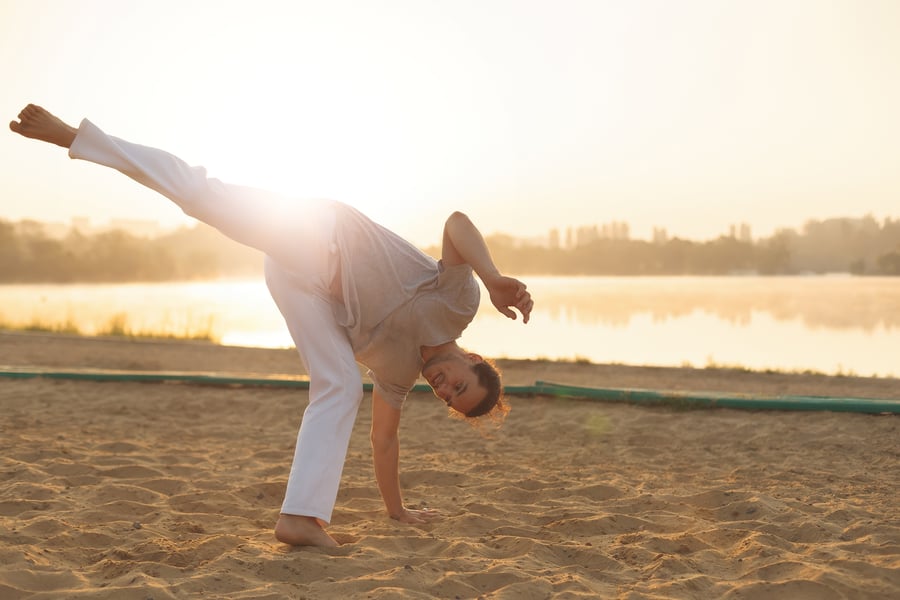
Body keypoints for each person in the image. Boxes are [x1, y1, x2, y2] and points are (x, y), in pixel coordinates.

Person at [9, 104, 533, 548]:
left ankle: (299, 519)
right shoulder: (458, 303)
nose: (443, 388)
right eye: (459, 384)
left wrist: (397, 513)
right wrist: (492, 278)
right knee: (204, 198)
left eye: (447, 398)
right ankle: (75, 136)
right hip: (314, 232)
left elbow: (384, 443)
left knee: (342, 384)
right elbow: (457, 223)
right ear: (474, 360)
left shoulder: (399, 376)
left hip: (298, 284)